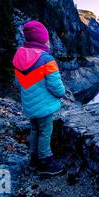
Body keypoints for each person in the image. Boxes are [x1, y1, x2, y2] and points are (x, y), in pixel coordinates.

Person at [12, 20, 65, 175]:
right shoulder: (46, 59)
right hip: (44, 105)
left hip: (29, 104)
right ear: (42, 39)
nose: (48, 41)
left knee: (34, 129)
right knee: (45, 131)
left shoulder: (19, 56)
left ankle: (33, 159)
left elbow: (18, 82)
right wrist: (60, 94)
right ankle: (46, 162)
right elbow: (57, 87)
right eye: (46, 38)